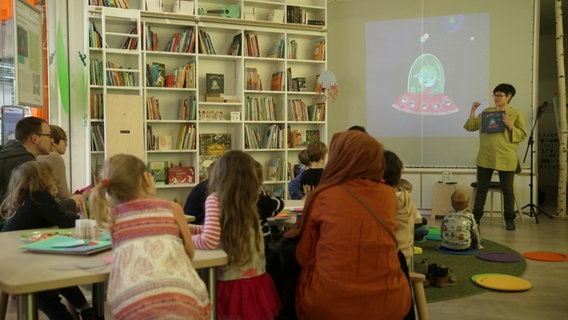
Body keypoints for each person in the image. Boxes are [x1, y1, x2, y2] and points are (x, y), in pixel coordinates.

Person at [294, 131, 412, 319]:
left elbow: (303, 255)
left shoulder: (323, 195)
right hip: (390, 303)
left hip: (328, 305)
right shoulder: (388, 195)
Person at [88, 154, 211, 320]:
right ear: (147, 179)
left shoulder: (114, 217)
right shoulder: (173, 209)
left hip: (130, 301)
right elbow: (189, 252)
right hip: (182, 296)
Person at [191, 150, 281, 319]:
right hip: (256, 281)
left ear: (218, 174)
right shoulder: (249, 200)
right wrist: (195, 229)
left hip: (231, 283)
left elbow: (210, 240)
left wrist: (187, 239)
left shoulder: (215, 199)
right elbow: (220, 231)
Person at [0, 161, 94, 320]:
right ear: (44, 178)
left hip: (16, 253)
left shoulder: (24, 198)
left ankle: (84, 311)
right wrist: (79, 217)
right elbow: (64, 222)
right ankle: (83, 311)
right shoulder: (39, 197)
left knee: (58, 278)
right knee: (51, 286)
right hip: (19, 259)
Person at [464, 83, 527, 230]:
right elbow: (472, 126)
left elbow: (522, 134)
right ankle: (477, 217)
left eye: (500, 95)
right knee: (482, 188)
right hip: (486, 156)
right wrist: (472, 111)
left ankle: (509, 218)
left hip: (507, 157)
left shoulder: (516, 114)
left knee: (507, 188)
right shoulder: (487, 112)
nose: (496, 98)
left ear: (509, 96)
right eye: (495, 95)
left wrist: (510, 126)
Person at [383, 150, 423, 267]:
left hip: (388, 257)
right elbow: (417, 220)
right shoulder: (406, 195)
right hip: (406, 254)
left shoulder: (381, 198)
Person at [0, 116, 52, 204]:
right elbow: (36, 204)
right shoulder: (25, 162)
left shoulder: (9, 152)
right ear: (35, 139)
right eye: (49, 135)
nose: (52, 140)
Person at [37, 125, 71, 199]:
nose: (66, 145)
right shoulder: (55, 158)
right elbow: (64, 195)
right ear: (53, 142)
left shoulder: (38, 156)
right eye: (65, 141)